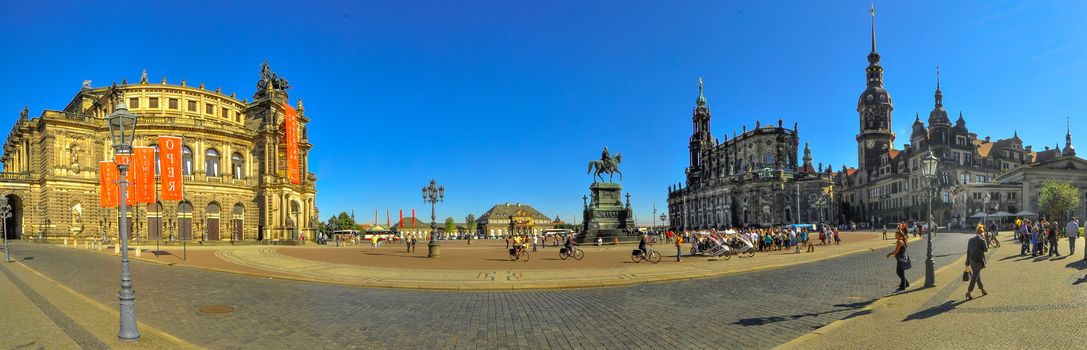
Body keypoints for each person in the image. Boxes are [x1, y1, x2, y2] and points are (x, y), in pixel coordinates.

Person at [966, 227, 989, 299]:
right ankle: (969, 292)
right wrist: (986, 241)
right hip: (978, 261)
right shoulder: (982, 240)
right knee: (975, 277)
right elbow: (986, 250)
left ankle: (982, 289)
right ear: (982, 233)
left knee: (977, 276)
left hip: (971, 260)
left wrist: (967, 261)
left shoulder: (970, 240)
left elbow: (968, 251)